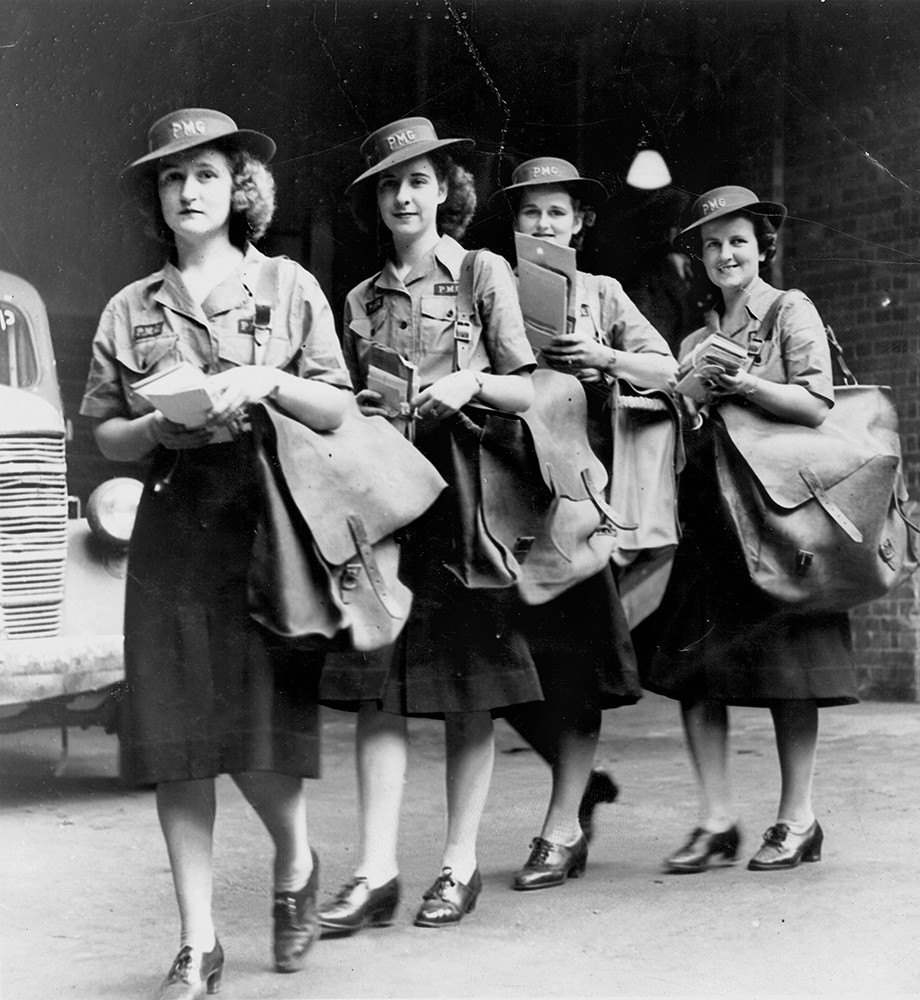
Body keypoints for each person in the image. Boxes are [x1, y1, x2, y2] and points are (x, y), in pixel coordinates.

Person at [80, 108, 352, 997]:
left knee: (254, 737)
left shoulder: (288, 285)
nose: (188, 191)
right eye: (171, 178)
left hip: (268, 525)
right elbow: (106, 438)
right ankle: (199, 943)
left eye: (205, 173)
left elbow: (339, 410)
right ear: (157, 200)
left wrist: (272, 379)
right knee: (175, 743)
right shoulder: (131, 309)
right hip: (172, 529)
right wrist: (157, 422)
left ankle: (295, 861)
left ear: (238, 188)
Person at [316, 116, 537, 931]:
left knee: (467, 692)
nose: (403, 195)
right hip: (386, 507)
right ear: (376, 201)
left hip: (462, 503)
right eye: (388, 184)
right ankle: (376, 872)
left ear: (446, 189)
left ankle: (459, 864)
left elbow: (531, 390)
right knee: (379, 688)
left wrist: (469, 384)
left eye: (418, 179)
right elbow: (340, 409)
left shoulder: (481, 272)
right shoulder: (358, 300)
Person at [635, 185, 857, 874]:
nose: (725, 254)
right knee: (699, 673)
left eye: (738, 240)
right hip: (711, 520)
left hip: (781, 520)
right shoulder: (696, 338)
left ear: (763, 245)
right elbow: (686, 421)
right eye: (711, 244)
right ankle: (716, 818)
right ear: (698, 257)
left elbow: (817, 403)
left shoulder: (791, 310)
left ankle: (797, 819)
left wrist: (747, 386)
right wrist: (685, 398)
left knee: (791, 674)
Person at [492, 156, 677, 889]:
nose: (543, 224)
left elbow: (664, 369)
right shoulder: (489, 284)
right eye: (530, 213)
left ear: (580, 222)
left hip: (575, 504)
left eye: (557, 212)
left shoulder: (604, 293)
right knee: (493, 669)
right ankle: (583, 785)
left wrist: (603, 357)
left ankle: (561, 824)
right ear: (514, 224)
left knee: (573, 667)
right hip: (500, 500)